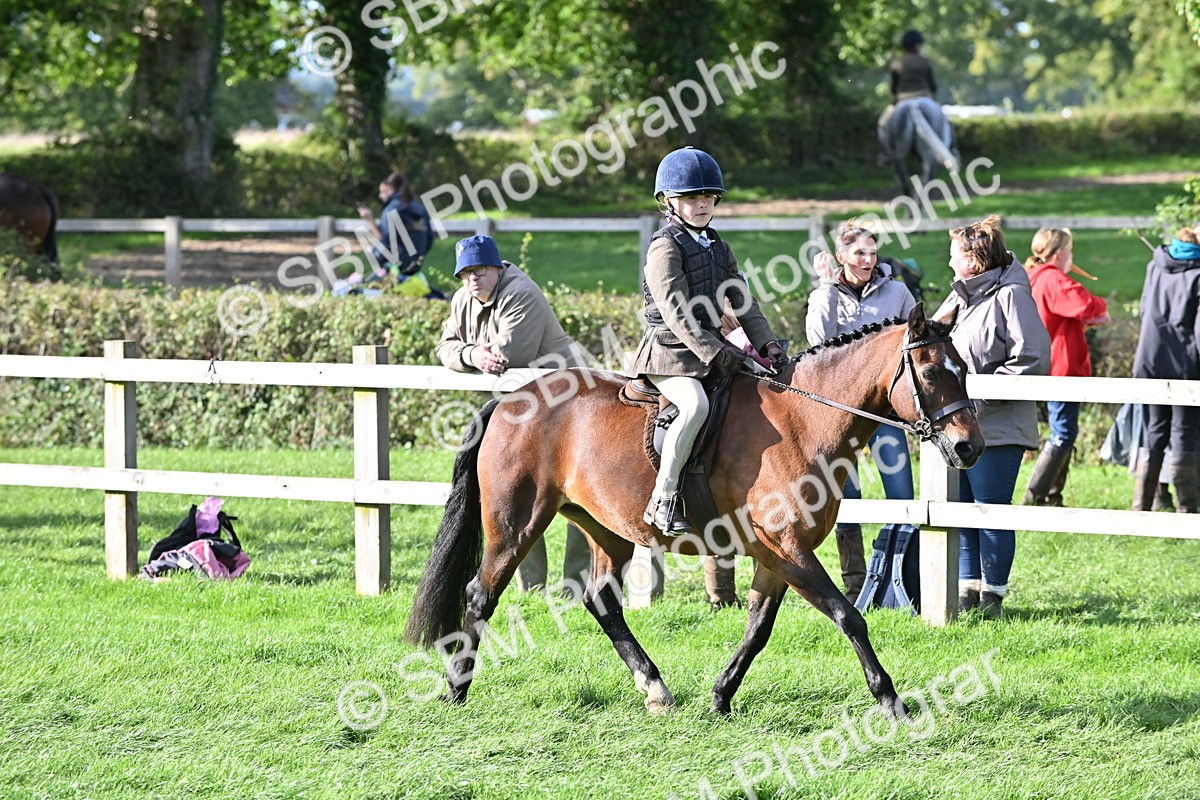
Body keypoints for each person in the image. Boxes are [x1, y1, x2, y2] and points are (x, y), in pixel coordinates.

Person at [628, 147, 788, 534]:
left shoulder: (720, 247)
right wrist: (718, 352)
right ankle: (662, 501)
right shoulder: (664, 247)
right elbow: (675, 311)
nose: (701, 205)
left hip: (712, 352)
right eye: (690, 198)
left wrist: (768, 346)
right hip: (668, 356)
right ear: (669, 202)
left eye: (707, 197)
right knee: (696, 405)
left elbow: (744, 304)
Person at [435, 234, 592, 592]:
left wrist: (474, 353)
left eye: (480, 270)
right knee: (518, 493)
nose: (472, 278)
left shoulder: (521, 293)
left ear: (497, 267)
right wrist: (472, 355)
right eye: (465, 273)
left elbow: (509, 355)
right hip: (524, 407)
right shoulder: (463, 299)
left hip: (569, 402)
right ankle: (532, 588)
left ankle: (576, 586)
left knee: (581, 497)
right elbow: (444, 346)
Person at [934, 215, 1050, 619]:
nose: (949, 263)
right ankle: (967, 593)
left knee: (990, 511)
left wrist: (977, 400)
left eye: (954, 256)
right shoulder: (960, 297)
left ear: (973, 260)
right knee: (963, 510)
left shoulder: (1012, 295)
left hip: (998, 426)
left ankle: (993, 599)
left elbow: (1032, 359)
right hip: (960, 427)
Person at [806, 224, 917, 602]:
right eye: (859, 254)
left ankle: (904, 579)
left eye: (872, 253)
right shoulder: (826, 294)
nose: (868, 260)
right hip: (841, 417)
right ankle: (856, 584)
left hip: (885, 415)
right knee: (847, 497)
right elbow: (818, 343)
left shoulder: (898, 292)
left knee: (901, 493)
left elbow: (913, 343)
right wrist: (825, 288)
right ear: (841, 257)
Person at [1021, 228, 1109, 506]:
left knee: (1064, 430)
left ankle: (1052, 497)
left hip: (1049, 363)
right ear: (1060, 254)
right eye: (1070, 251)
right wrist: (1101, 307)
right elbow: (1085, 305)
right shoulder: (1053, 278)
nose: (1072, 257)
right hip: (1062, 366)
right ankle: (1035, 498)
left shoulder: (1033, 275)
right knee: (1063, 432)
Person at [1130, 222, 1200, 513]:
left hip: (1149, 358)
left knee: (1154, 431)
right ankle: (1189, 511)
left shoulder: (1155, 264)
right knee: (1183, 432)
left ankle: (1141, 507)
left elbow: (1145, 309)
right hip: (1186, 364)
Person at [355, 171, 442, 299]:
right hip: (415, 270)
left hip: (395, 271)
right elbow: (429, 239)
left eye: (382, 191)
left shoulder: (390, 210)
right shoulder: (419, 208)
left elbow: (384, 245)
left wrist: (370, 221)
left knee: (359, 291)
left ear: (390, 188)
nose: (380, 196)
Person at [878, 29, 939, 162]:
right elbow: (933, 85)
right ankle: (952, 150)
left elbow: (893, 87)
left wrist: (894, 99)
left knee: (882, 125)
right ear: (917, 45)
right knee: (945, 122)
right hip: (924, 97)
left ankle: (887, 154)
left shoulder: (897, 62)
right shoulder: (925, 61)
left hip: (902, 100)